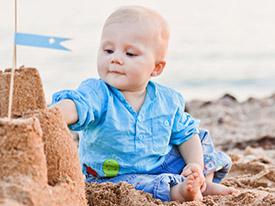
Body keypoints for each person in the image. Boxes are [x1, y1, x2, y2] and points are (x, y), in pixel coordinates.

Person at [51, 5, 236, 202]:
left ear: (156, 68)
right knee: (134, 185)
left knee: (198, 137)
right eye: (108, 50)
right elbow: (77, 105)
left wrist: (195, 166)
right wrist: (53, 115)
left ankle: (201, 181)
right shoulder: (97, 93)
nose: (115, 59)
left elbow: (185, 135)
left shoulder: (167, 100)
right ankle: (179, 192)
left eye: (130, 54)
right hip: (115, 174)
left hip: (162, 163)